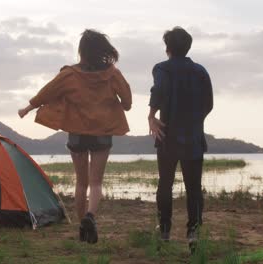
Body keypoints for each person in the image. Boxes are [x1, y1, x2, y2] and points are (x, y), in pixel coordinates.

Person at [18, 29, 132, 244]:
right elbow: (127, 102)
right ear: (102, 50)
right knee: (96, 183)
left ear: (82, 51)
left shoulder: (69, 74)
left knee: (81, 183)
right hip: (102, 134)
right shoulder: (113, 74)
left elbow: (47, 92)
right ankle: (90, 216)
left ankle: (83, 227)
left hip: (77, 134)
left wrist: (27, 108)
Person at [147, 27, 213, 250]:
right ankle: (193, 232)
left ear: (168, 48)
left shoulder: (161, 68)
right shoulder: (200, 71)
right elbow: (209, 104)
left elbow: (160, 89)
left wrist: (151, 115)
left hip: (167, 136)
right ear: (188, 47)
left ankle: (164, 230)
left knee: (165, 184)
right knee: (194, 187)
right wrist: (195, 120)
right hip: (193, 137)